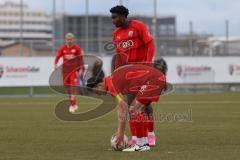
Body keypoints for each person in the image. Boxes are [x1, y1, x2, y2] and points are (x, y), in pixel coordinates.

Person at [87, 63, 167, 152]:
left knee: (134, 110)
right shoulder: (112, 80)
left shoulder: (111, 84)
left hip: (153, 80)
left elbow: (122, 108)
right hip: (156, 78)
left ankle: (141, 145)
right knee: (137, 109)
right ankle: (143, 142)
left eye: (96, 92)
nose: (98, 94)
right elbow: (121, 107)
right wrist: (119, 130)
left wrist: (120, 133)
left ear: (99, 85)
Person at [110, 5, 156, 146]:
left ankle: (151, 135)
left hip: (143, 71)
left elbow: (150, 44)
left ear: (123, 16)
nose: (113, 20)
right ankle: (136, 137)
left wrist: (148, 65)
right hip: (128, 75)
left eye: (115, 17)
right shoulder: (116, 34)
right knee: (131, 105)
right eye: (112, 17)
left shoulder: (138, 26)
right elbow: (119, 55)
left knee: (145, 105)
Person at [54, 33, 84, 113]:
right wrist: (56, 64)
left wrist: (81, 68)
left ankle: (72, 105)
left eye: (71, 39)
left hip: (73, 71)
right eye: (68, 39)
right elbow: (57, 57)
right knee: (68, 89)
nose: (69, 41)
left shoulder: (77, 48)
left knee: (72, 88)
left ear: (73, 40)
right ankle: (74, 104)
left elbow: (80, 59)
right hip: (65, 72)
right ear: (65, 40)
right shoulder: (63, 48)